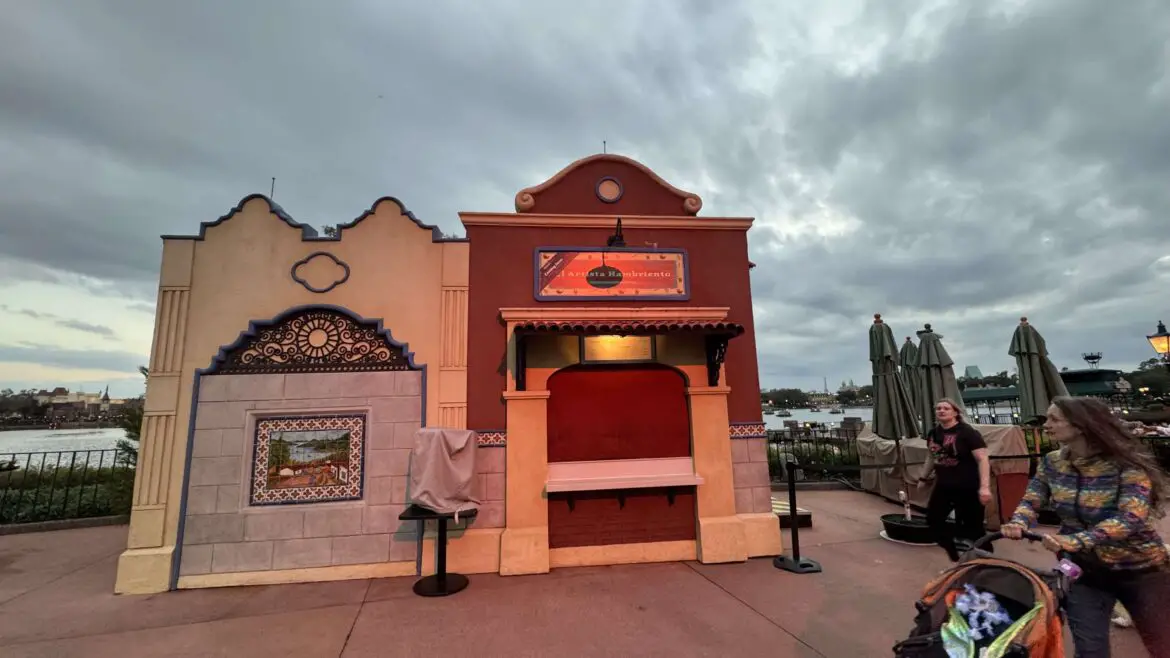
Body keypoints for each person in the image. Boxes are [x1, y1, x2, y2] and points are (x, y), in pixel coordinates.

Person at [1002, 396, 1170, 658]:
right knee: (1089, 650)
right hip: (1082, 571)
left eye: (1054, 419)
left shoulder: (1127, 465)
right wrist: (1018, 521)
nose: (1046, 425)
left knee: (1162, 643)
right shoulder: (1052, 462)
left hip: (1140, 570)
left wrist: (1077, 540)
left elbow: (1131, 518)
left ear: (1081, 425)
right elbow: (1032, 498)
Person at [918, 398, 992, 562]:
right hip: (944, 484)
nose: (941, 411)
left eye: (946, 408)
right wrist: (923, 477)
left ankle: (987, 558)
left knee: (974, 528)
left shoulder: (967, 432)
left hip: (968, 485)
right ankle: (952, 551)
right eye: (938, 408)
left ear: (955, 412)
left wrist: (985, 487)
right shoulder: (933, 433)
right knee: (933, 519)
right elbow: (931, 456)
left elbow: (983, 459)